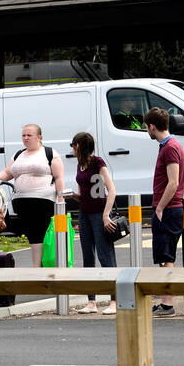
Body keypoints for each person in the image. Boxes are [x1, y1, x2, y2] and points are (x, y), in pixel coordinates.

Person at [0, 123, 66, 267]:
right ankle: (37, 269)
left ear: (39, 137)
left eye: (29, 135)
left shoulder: (49, 153)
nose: (26, 138)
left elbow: (59, 177)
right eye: (23, 135)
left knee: (43, 234)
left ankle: (46, 266)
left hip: (44, 201)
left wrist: (61, 201)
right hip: (23, 202)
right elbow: (8, 172)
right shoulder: (18, 154)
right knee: (33, 236)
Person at [70, 132, 118, 314]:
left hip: (99, 213)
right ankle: (91, 302)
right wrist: (74, 196)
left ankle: (114, 300)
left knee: (105, 256)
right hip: (84, 213)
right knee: (87, 256)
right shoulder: (80, 165)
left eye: (73, 145)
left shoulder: (98, 163)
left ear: (79, 146)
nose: (72, 148)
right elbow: (86, 191)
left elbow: (111, 190)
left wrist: (106, 216)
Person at [146, 107, 184, 317]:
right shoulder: (169, 145)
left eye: (147, 127)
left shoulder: (169, 147)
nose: (147, 131)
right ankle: (165, 301)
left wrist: (160, 207)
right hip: (169, 207)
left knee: (166, 255)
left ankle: (167, 304)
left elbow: (173, 182)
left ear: (152, 126)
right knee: (164, 255)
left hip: (169, 209)